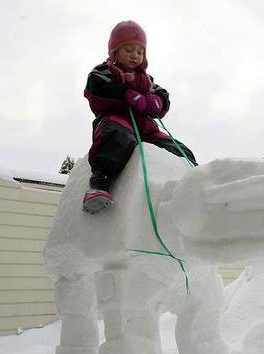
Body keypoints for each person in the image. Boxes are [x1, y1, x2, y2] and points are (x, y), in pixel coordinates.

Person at [83, 20, 197, 214]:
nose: (135, 55)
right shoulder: (104, 72)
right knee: (117, 136)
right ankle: (101, 183)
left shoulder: (147, 80)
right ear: (114, 51)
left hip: (146, 127)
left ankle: (194, 180)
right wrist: (125, 93)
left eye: (139, 51)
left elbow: (162, 94)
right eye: (128, 49)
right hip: (117, 119)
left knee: (175, 147)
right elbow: (96, 88)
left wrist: (157, 101)